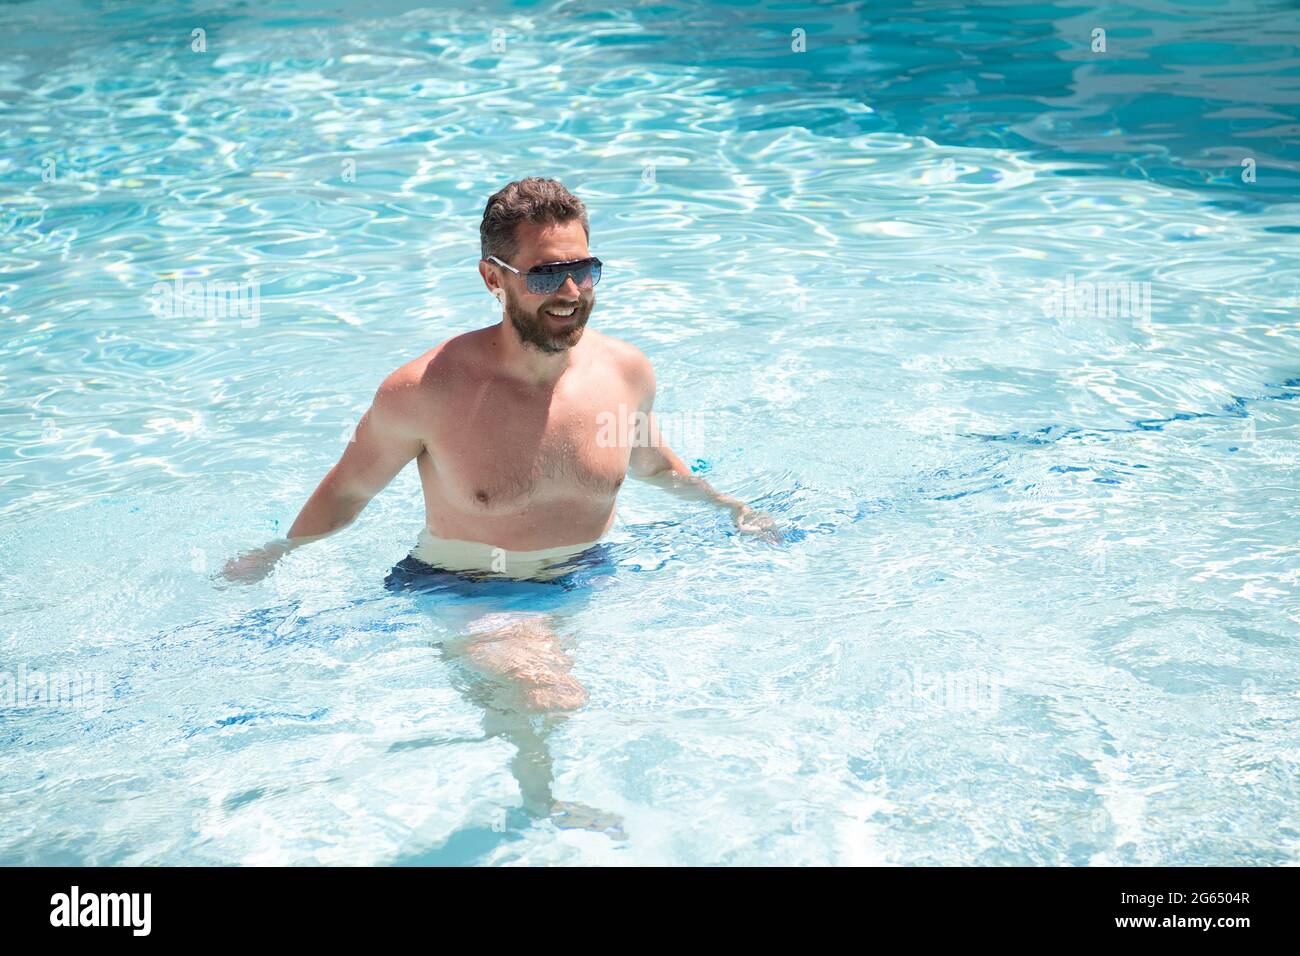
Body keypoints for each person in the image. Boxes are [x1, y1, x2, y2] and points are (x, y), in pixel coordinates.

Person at [224, 176, 778, 713]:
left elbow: (650, 462)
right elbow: (349, 488)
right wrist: (276, 555)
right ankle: (548, 803)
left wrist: (731, 508)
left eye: (584, 271)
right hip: (468, 588)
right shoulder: (426, 391)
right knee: (550, 695)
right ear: (494, 278)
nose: (569, 293)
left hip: (592, 572)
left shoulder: (624, 372)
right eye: (545, 275)